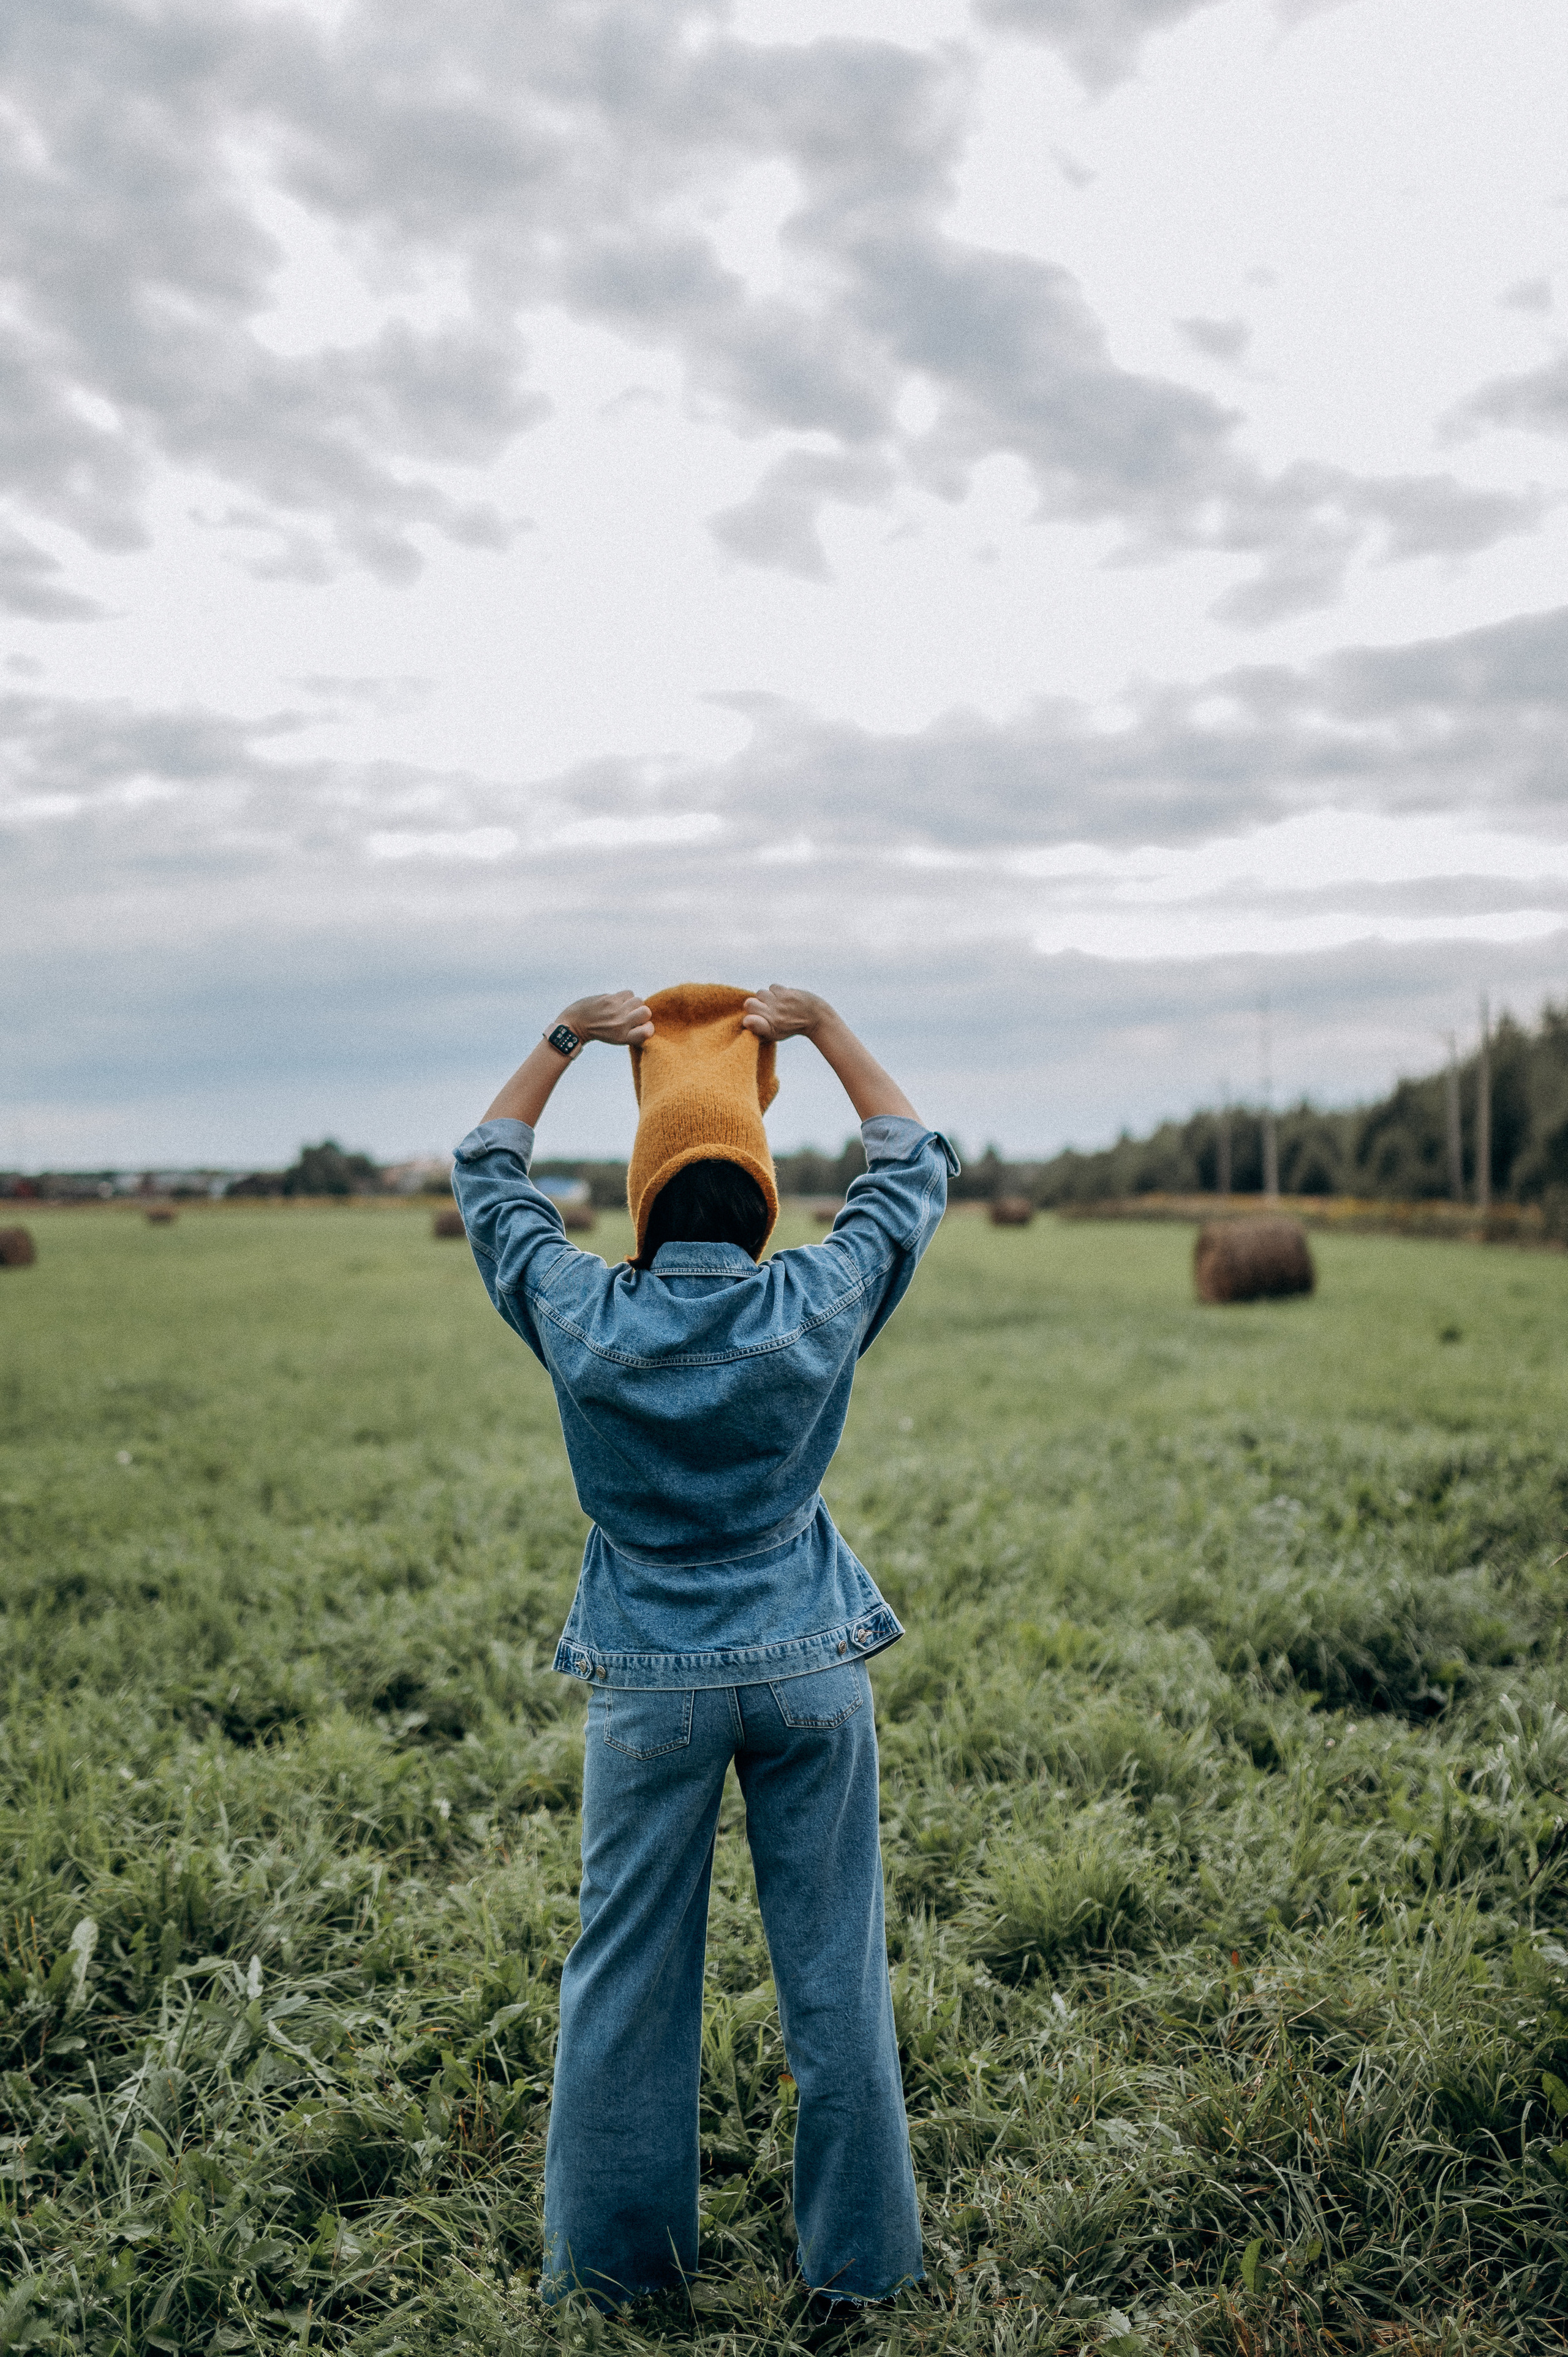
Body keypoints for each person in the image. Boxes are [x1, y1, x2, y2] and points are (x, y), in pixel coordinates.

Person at [451, 982, 959, 2315]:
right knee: (835, 1981)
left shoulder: (582, 1309)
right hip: (810, 1673)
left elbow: (485, 1173)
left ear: (641, 1199)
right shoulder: (819, 1294)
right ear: (761, 1196)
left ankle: (618, 2291)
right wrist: (828, 1030)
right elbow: (913, 1162)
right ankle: (860, 2282)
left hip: (648, 1687)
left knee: (621, 1984)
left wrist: (566, 1040)